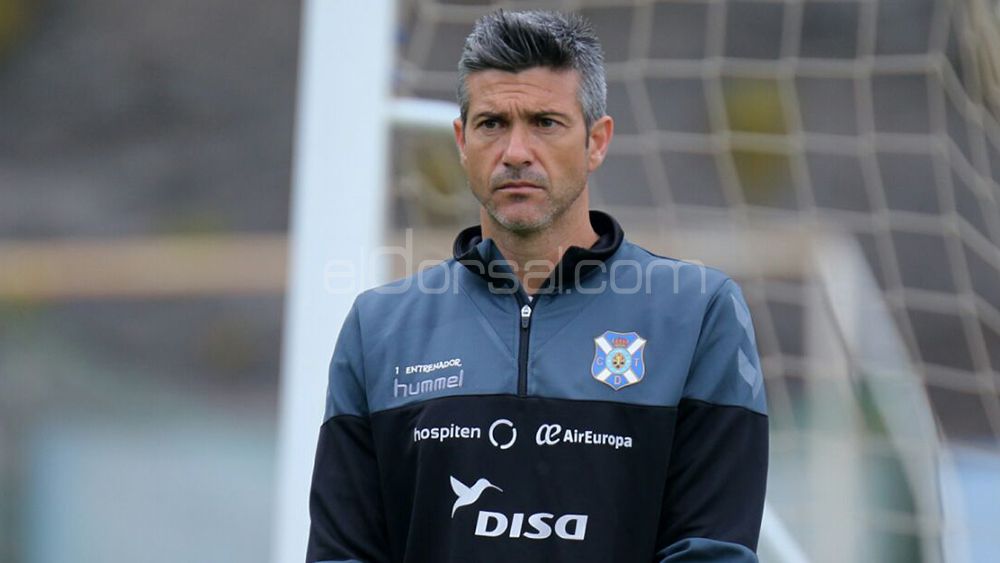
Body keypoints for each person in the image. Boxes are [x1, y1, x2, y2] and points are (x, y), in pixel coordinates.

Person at [306, 10, 767, 563]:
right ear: (462, 140)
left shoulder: (696, 313)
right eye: (492, 123)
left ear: (597, 141)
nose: (516, 152)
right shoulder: (379, 327)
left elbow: (710, 551)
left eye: (545, 122)